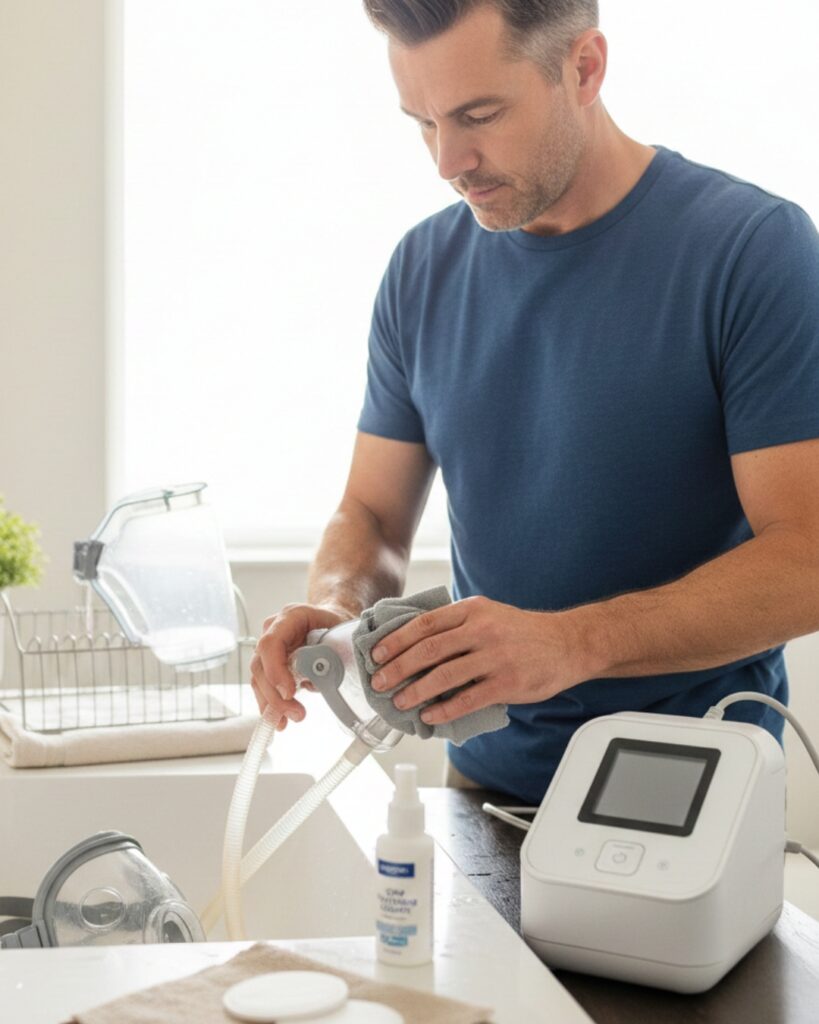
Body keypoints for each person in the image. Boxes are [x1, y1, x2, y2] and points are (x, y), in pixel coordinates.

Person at [250, 0, 819, 804]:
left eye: (478, 115)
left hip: (685, 795)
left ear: (583, 68)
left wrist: (573, 643)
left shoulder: (752, 251)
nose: (448, 160)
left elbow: (808, 557)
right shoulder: (421, 270)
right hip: (480, 788)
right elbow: (372, 518)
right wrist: (334, 610)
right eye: (422, 122)